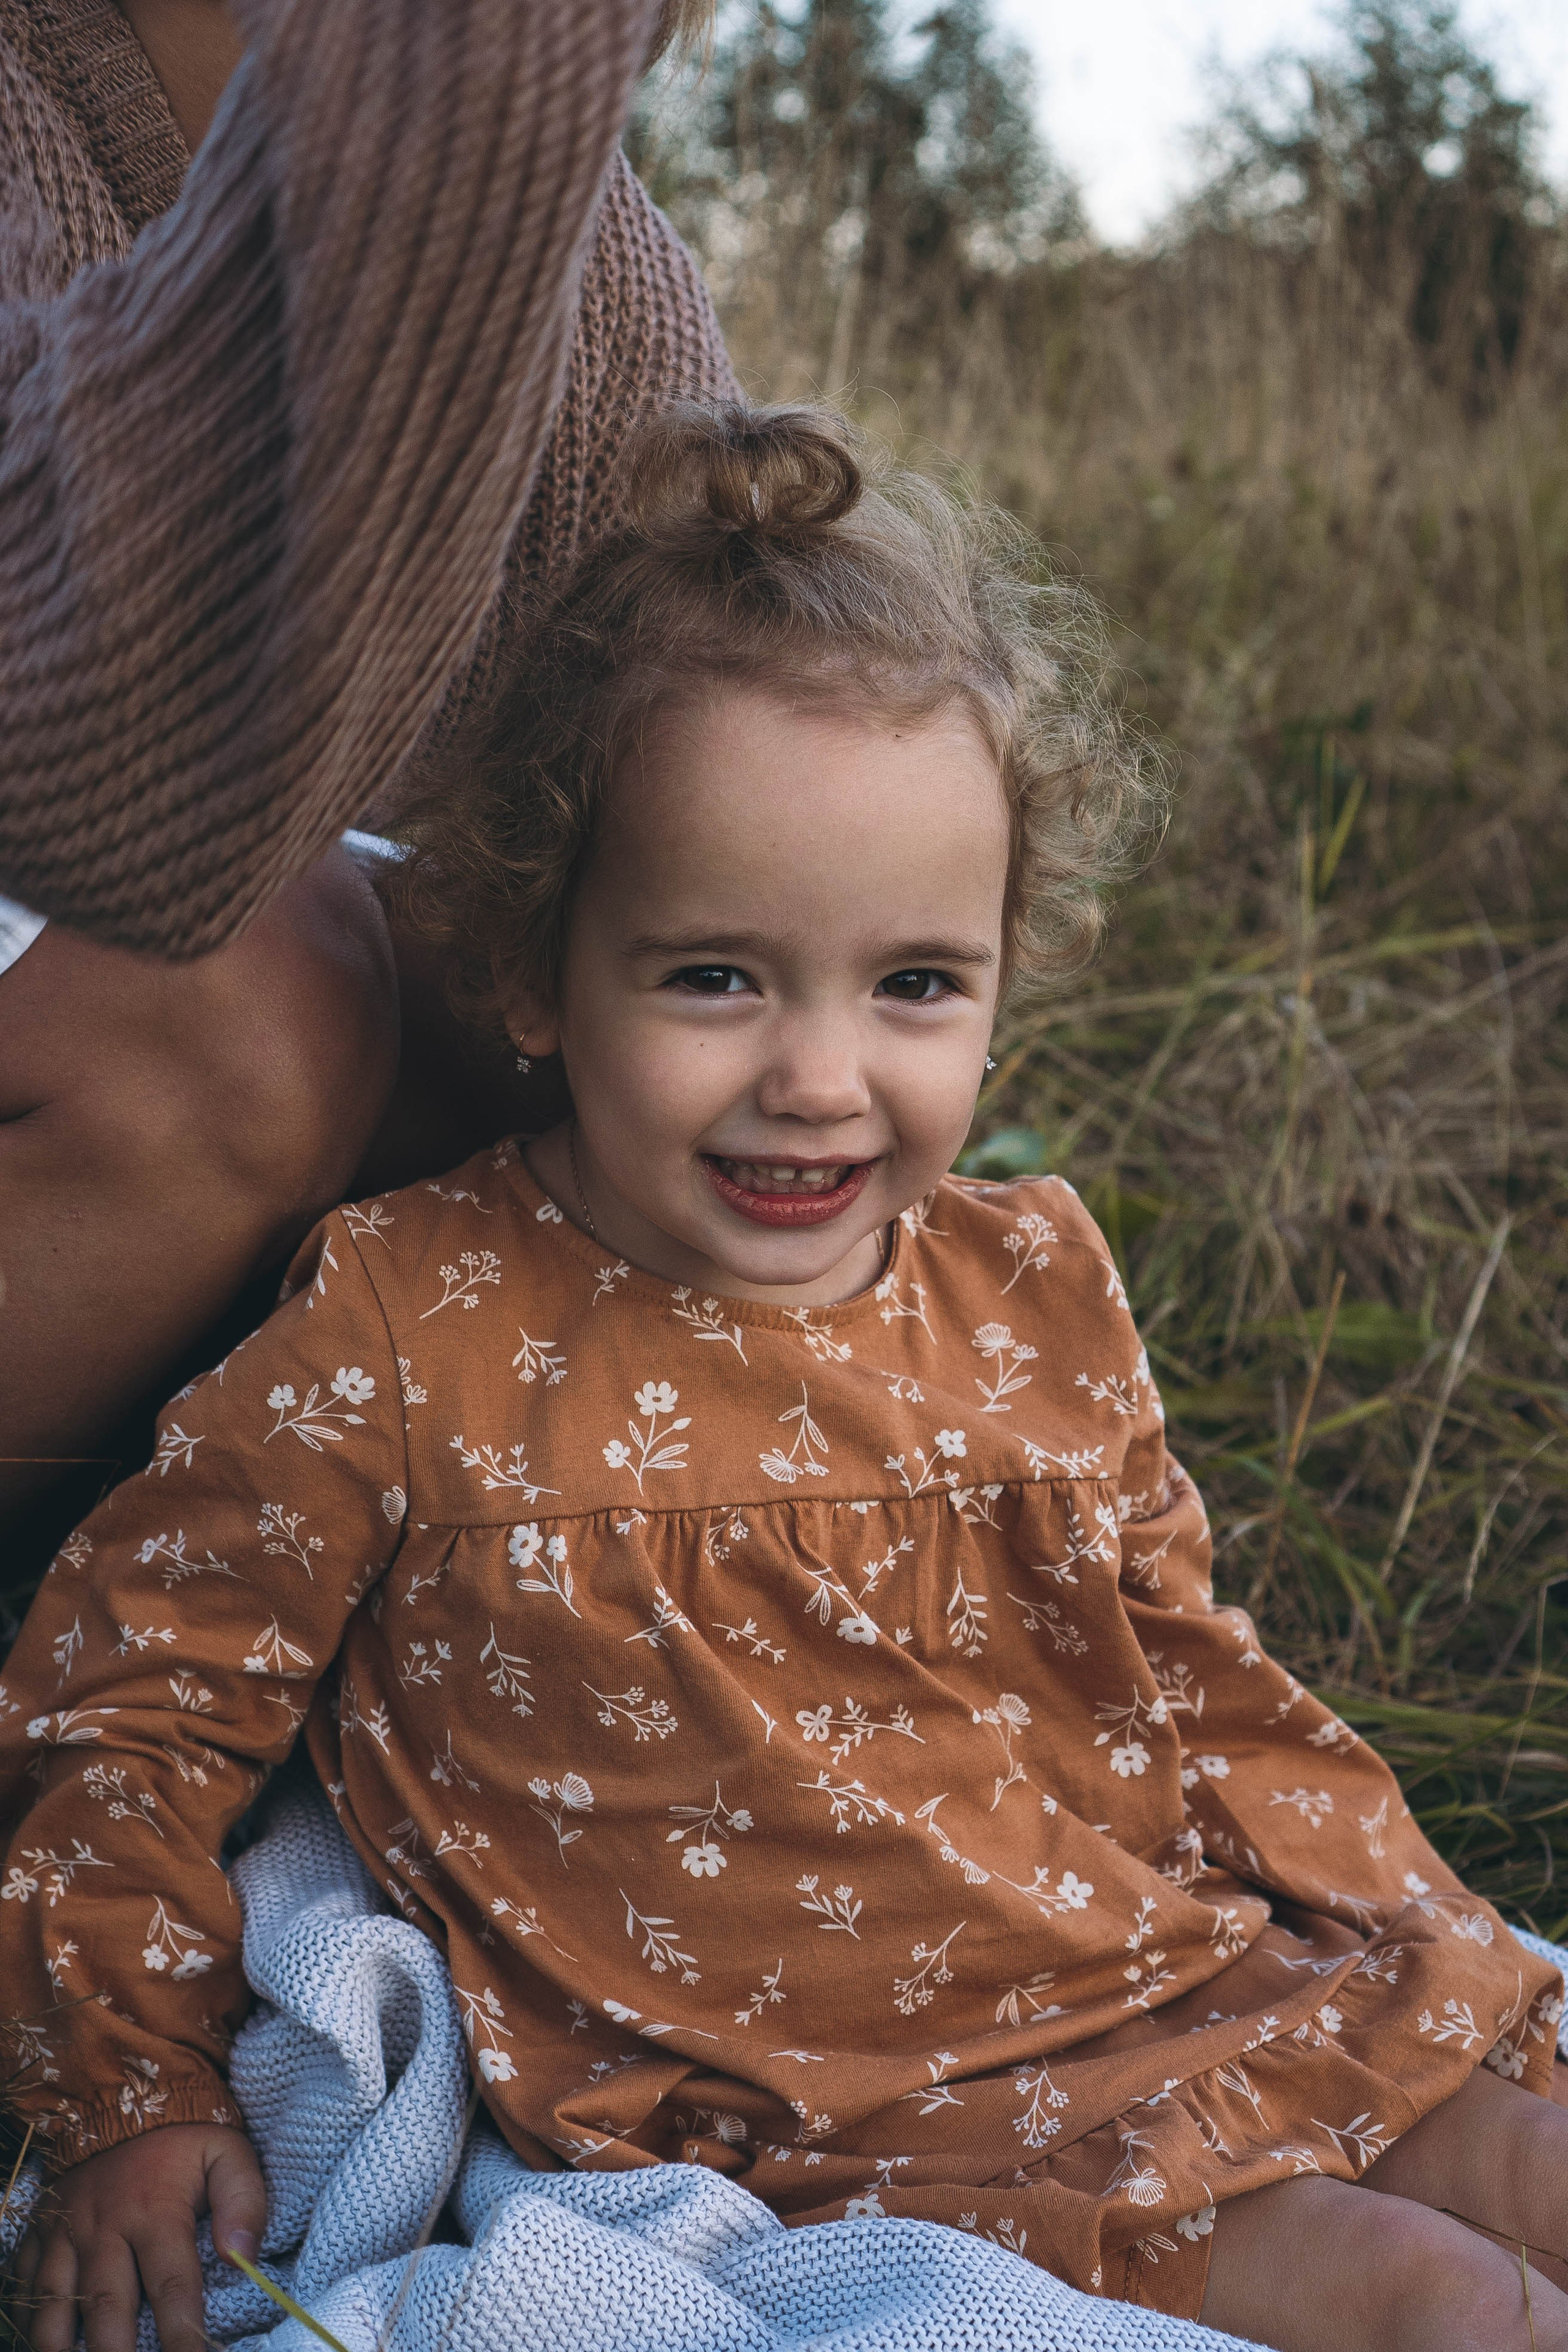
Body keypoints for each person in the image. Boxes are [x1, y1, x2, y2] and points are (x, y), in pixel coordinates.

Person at [1, 402, 1564, 2352]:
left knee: (1536, 2173)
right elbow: (134, 1705)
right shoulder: (410, 1323)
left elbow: (1189, 1668)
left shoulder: (1030, 1285)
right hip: (856, 2103)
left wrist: (1428, 1929)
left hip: (1160, 1960)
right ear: (535, 973)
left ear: (1007, 969)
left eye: (914, 984)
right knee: (1450, 2303)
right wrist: (128, 2095)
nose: (821, 1077)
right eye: (714, 977)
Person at [0, 0, 736, 1570]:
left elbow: (667, 779)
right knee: (243, 1012)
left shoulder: (605, 263)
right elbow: (90, 797)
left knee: (636, 1015)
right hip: (123, 969)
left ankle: (325, 1624)